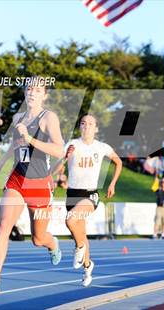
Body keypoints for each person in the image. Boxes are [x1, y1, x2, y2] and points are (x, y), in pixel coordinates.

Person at [0, 82, 64, 294]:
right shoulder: (18, 118)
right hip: (17, 179)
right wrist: (3, 160)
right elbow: (16, 144)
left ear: (44, 95)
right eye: (29, 89)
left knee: (38, 239)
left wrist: (30, 138)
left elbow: (59, 150)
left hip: (38, 184)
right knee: (4, 225)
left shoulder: (48, 118)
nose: (31, 93)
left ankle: (52, 244)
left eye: (37, 90)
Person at [53, 114, 122, 287]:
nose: (86, 126)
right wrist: (65, 157)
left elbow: (118, 162)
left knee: (70, 220)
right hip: (72, 194)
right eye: (83, 123)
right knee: (81, 234)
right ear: (80, 127)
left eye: (90, 123)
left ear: (96, 128)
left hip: (90, 194)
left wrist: (112, 184)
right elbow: (57, 168)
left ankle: (78, 249)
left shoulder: (102, 147)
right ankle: (88, 266)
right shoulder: (72, 144)